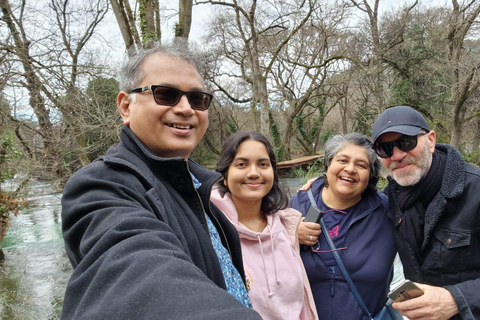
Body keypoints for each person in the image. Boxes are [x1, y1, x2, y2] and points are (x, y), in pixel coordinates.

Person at [60, 42, 262, 319]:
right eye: (165, 94)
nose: (185, 108)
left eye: (197, 99)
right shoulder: (101, 185)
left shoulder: (199, 188)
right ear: (125, 107)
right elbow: (138, 272)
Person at [372, 105, 480, 320]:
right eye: (385, 149)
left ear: (430, 140)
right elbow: (350, 207)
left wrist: (456, 300)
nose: (397, 155)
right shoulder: (390, 198)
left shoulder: (475, 190)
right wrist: (316, 194)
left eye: (406, 142)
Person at [211, 131, 318, 320]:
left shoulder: (286, 227)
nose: (253, 173)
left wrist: (322, 182)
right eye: (241, 164)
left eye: (263, 164)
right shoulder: (210, 230)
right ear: (225, 176)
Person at [290, 133, 397, 320]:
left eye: (361, 165)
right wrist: (289, 233)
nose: (350, 169)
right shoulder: (297, 205)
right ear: (328, 164)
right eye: (342, 160)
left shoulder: (387, 210)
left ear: (371, 174)